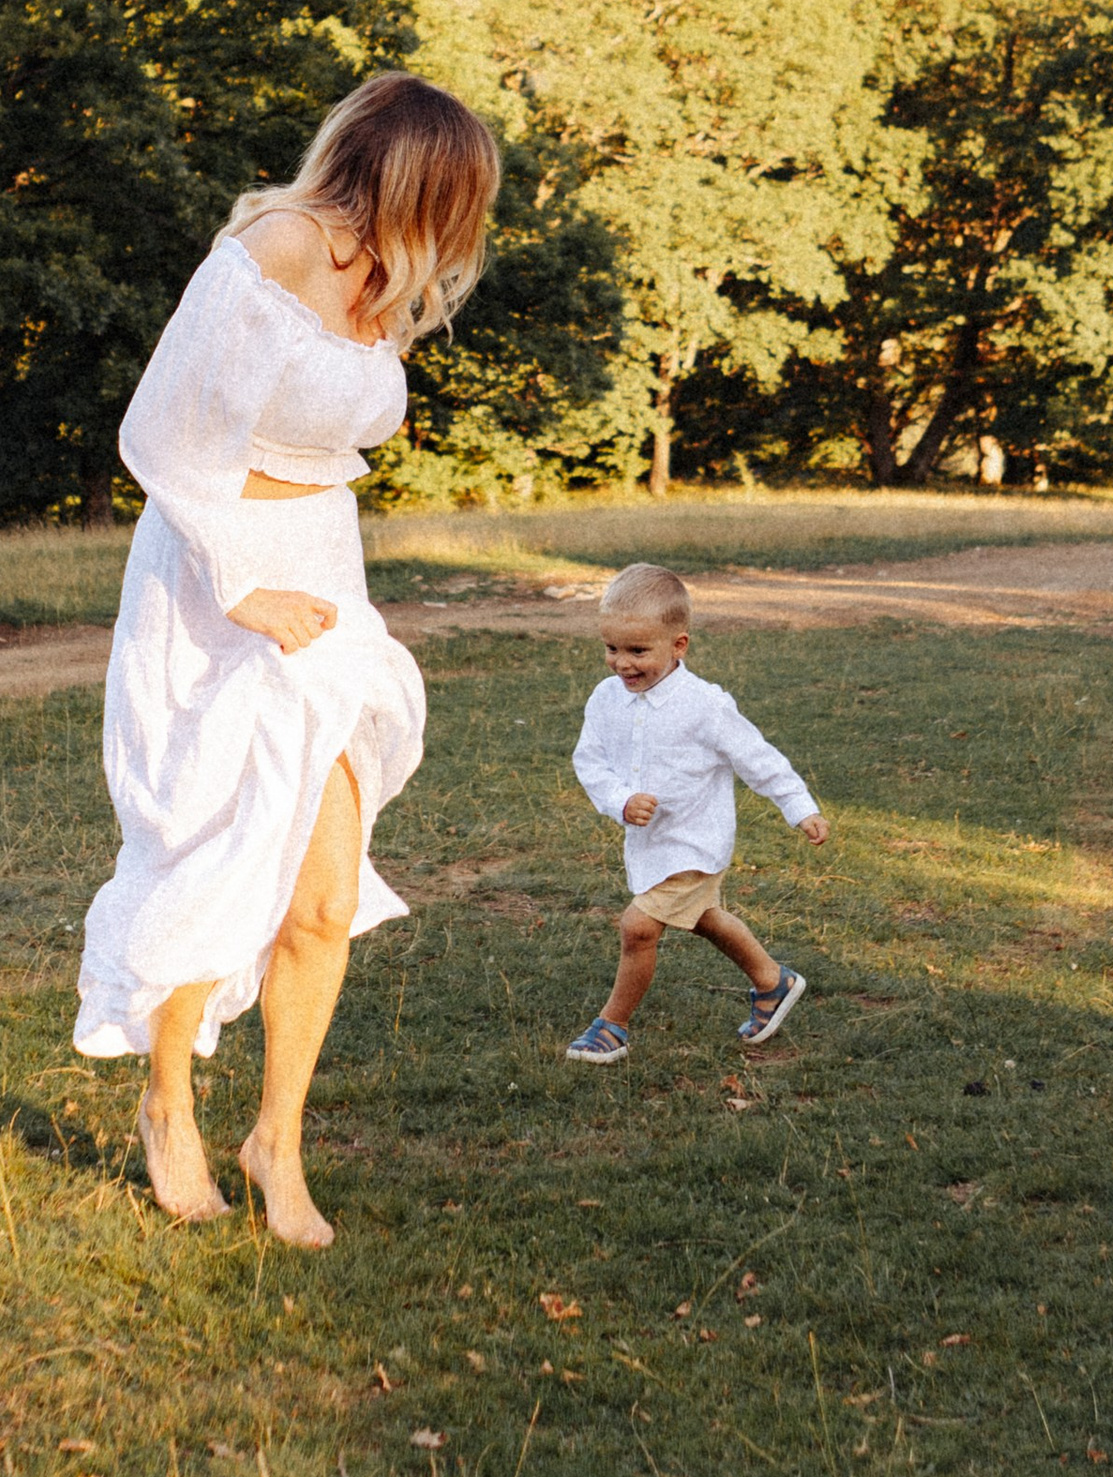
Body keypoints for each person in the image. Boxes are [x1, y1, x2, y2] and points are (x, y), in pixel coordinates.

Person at [75, 73, 502, 1244]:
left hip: (323, 579)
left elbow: (321, 444)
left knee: (318, 897)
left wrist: (295, 582)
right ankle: (169, 1104)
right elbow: (157, 435)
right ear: (410, 175)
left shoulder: (387, 280)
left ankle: (279, 1140)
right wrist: (240, 587)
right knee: (206, 850)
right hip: (218, 585)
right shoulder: (276, 246)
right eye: (456, 198)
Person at [564, 563, 825, 1062]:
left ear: (678, 645)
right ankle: (773, 981)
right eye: (611, 648)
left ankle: (611, 1026)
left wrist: (800, 807)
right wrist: (619, 799)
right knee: (703, 917)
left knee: (638, 927)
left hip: (696, 842)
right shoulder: (605, 699)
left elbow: (758, 758)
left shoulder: (705, 705)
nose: (622, 664)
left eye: (638, 651)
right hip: (650, 844)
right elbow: (589, 760)